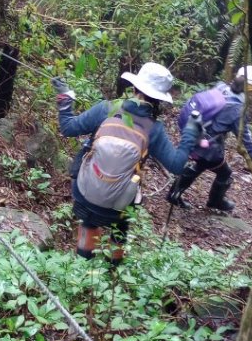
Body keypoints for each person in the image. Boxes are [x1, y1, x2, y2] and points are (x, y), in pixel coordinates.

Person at [53, 61, 201, 261]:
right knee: (121, 227)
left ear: (134, 88)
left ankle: (82, 265)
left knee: (88, 222)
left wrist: (65, 98)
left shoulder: (106, 109)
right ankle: (113, 268)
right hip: (120, 205)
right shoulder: (153, 129)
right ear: (159, 100)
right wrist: (191, 131)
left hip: (85, 192)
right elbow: (176, 166)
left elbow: (68, 128)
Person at [166, 65, 252, 214]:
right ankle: (215, 201)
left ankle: (174, 194)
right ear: (250, 88)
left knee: (200, 165)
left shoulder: (221, 87)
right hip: (207, 146)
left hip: (193, 133)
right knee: (224, 173)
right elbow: (248, 145)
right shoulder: (237, 110)